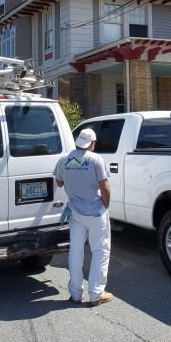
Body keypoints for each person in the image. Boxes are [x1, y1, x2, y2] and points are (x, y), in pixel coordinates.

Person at [54, 128, 113, 306]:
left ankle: (75, 294)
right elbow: (105, 187)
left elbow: (59, 182)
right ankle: (96, 294)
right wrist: (105, 205)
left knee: (76, 251)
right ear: (92, 144)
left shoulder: (64, 159)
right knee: (100, 251)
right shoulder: (95, 159)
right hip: (95, 213)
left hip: (75, 213)